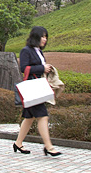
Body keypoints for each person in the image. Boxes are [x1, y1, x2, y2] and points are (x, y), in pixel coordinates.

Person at [13, 26, 63, 157]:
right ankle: (48, 146)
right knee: (43, 116)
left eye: (46, 37)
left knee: (29, 117)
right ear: (36, 37)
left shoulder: (39, 51)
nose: (45, 39)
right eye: (43, 36)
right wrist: (42, 68)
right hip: (32, 88)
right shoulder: (26, 50)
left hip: (37, 87)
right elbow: (24, 68)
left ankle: (18, 143)